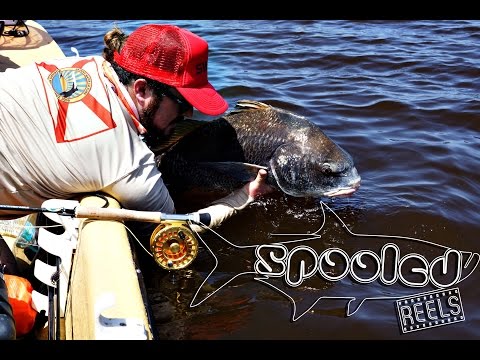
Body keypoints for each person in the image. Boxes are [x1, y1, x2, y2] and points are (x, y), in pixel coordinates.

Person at [0, 23, 273, 248]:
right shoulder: (127, 164)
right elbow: (177, 229)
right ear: (142, 90)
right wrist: (245, 195)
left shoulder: (86, 64)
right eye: (182, 103)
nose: (189, 114)